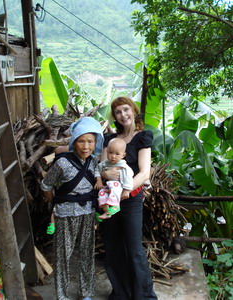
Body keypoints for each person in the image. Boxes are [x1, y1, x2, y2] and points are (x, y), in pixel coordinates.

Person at [40, 117, 104, 300]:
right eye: (81, 141)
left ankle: (87, 293)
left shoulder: (92, 161)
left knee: (87, 253)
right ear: (74, 142)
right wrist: (55, 201)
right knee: (62, 256)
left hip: (87, 213)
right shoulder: (61, 163)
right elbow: (46, 185)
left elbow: (97, 175)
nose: (86, 146)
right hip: (65, 214)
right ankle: (62, 295)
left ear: (96, 143)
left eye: (90, 141)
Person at [101, 96, 158, 300]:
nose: (123, 115)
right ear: (114, 116)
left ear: (133, 111)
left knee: (134, 249)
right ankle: (121, 293)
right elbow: (102, 169)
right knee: (113, 246)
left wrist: (125, 190)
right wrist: (105, 176)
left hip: (130, 199)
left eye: (126, 110)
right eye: (118, 112)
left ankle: (144, 296)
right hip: (108, 200)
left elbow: (144, 173)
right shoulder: (110, 140)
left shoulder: (143, 138)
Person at [94, 138, 134, 221]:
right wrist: (99, 179)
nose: (113, 156)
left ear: (123, 155)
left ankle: (115, 206)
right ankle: (107, 212)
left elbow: (129, 178)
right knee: (101, 192)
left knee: (114, 185)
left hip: (118, 187)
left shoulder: (124, 166)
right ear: (107, 152)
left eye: (117, 154)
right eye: (110, 152)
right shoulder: (104, 163)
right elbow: (97, 169)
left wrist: (127, 190)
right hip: (107, 187)